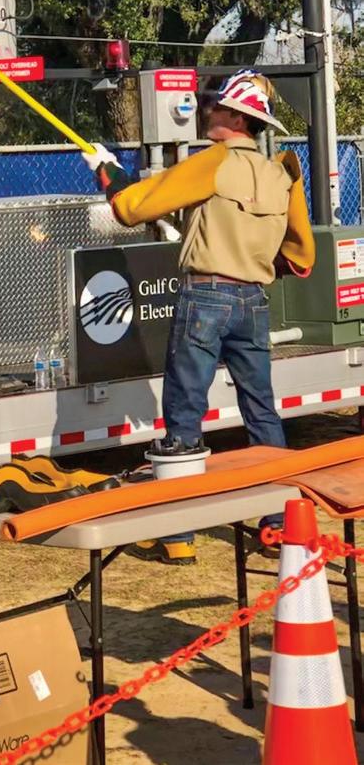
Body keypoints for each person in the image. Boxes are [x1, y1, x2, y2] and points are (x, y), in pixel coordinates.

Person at [83, 69, 316, 565]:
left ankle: (178, 533)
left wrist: (108, 172)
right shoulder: (282, 175)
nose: (209, 111)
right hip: (253, 301)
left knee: (185, 412)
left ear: (239, 118)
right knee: (262, 411)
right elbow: (302, 256)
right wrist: (251, 255)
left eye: (220, 106)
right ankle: (279, 526)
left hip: (205, 296)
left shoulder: (213, 162)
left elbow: (132, 208)